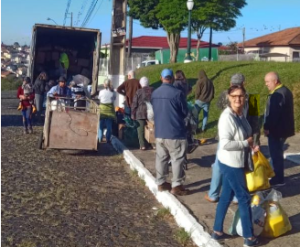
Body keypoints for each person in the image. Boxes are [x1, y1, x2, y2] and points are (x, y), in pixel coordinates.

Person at [211, 85, 259, 247]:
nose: (238, 99)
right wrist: (245, 143)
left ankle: (217, 230)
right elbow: (225, 144)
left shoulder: (239, 114)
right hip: (231, 163)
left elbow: (246, 134)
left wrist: (252, 145)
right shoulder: (227, 117)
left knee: (225, 196)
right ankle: (249, 237)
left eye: (241, 96)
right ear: (228, 97)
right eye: (234, 96)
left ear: (245, 97)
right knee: (244, 198)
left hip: (236, 160)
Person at [205, 73, 260, 203]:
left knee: (219, 164)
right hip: (245, 137)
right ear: (244, 84)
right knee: (242, 165)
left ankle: (213, 194)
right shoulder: (252, 98)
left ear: (230, 84)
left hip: (227, 135)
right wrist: (256, 141)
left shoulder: (226, 95)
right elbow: (255, 122)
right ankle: (236, 196)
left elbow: (218, 106)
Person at [151, 68, 189, 196]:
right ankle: (177, 185)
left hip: (160, 131)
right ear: (172, 78)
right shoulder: (177, 94)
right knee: (177, 158)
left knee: (161, 158)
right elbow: (185, 112)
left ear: (161, 78)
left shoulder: (154, 93)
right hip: (175, 131)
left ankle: (161, 182)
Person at [264, 72, 295, 186]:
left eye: (268, 82)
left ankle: (278, 178)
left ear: (275, 81)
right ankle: (278, 176)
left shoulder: (278, 94)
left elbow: (274, 114)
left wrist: (267, 127)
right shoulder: (286, 90)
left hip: (277, 130)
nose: (266, 84)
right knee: (278, 153)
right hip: (283, 129)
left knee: (275, 154)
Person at [131, 76, 153, 150]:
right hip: (151, 113)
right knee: (151, 128)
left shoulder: (138, 92)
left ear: (141, 84)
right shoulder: (152, 90)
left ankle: (142, 145)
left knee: (140, 130)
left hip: (140, 113)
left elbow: (134, 104)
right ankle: (151, 143)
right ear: (148, 83)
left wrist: (133, 114)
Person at [98, 79, 116, 143]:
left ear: (104, 84)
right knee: (109, 127)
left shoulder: (101, 92)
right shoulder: (113, 92)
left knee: (100, 126)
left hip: (102, 111)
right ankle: (108, 139)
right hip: (110, 112)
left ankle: (99, 139)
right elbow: (114, 99)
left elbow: (99, 98)